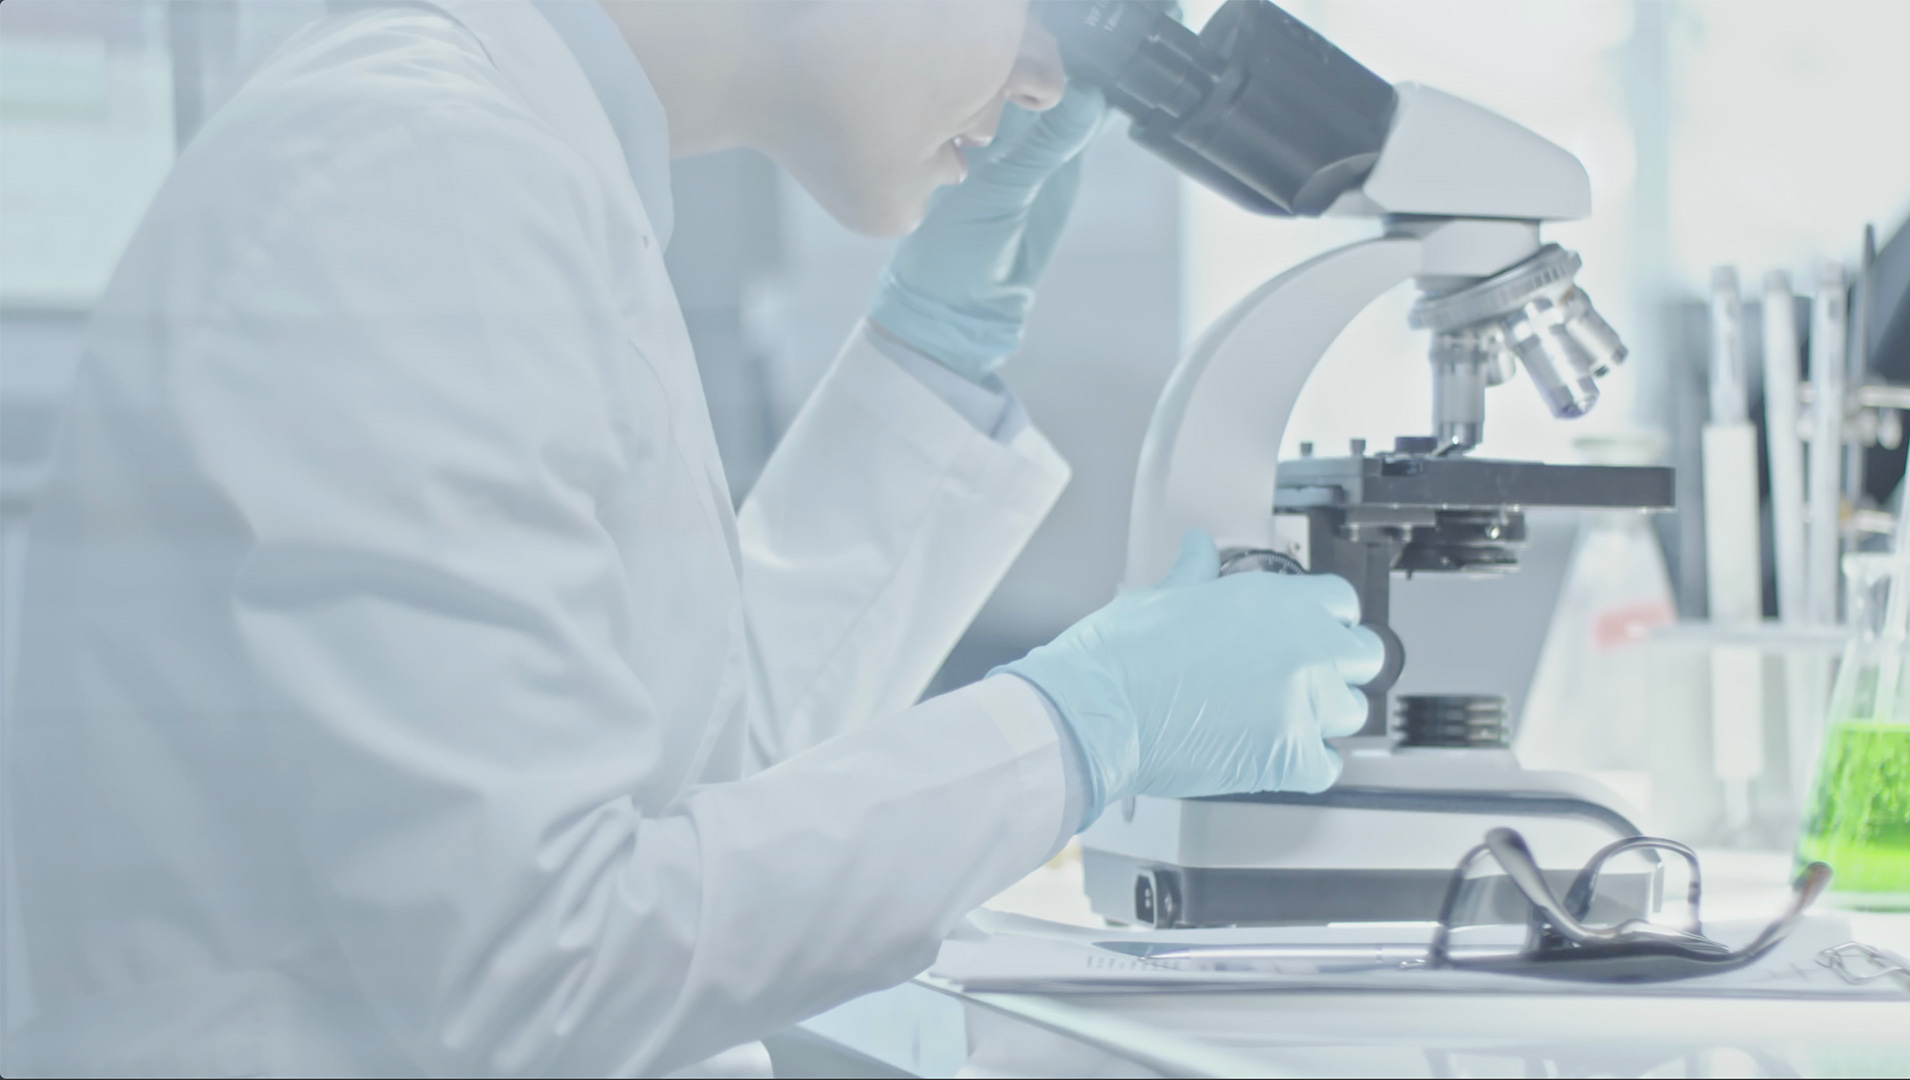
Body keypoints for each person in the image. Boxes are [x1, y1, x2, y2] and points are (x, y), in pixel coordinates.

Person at [4, 1, 1382, 1074]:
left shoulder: (512, 165)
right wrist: (1082, 729)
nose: (1044, 76)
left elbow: (696, 779)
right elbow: (545, 967)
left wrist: (932, 355)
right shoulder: (423, 174)